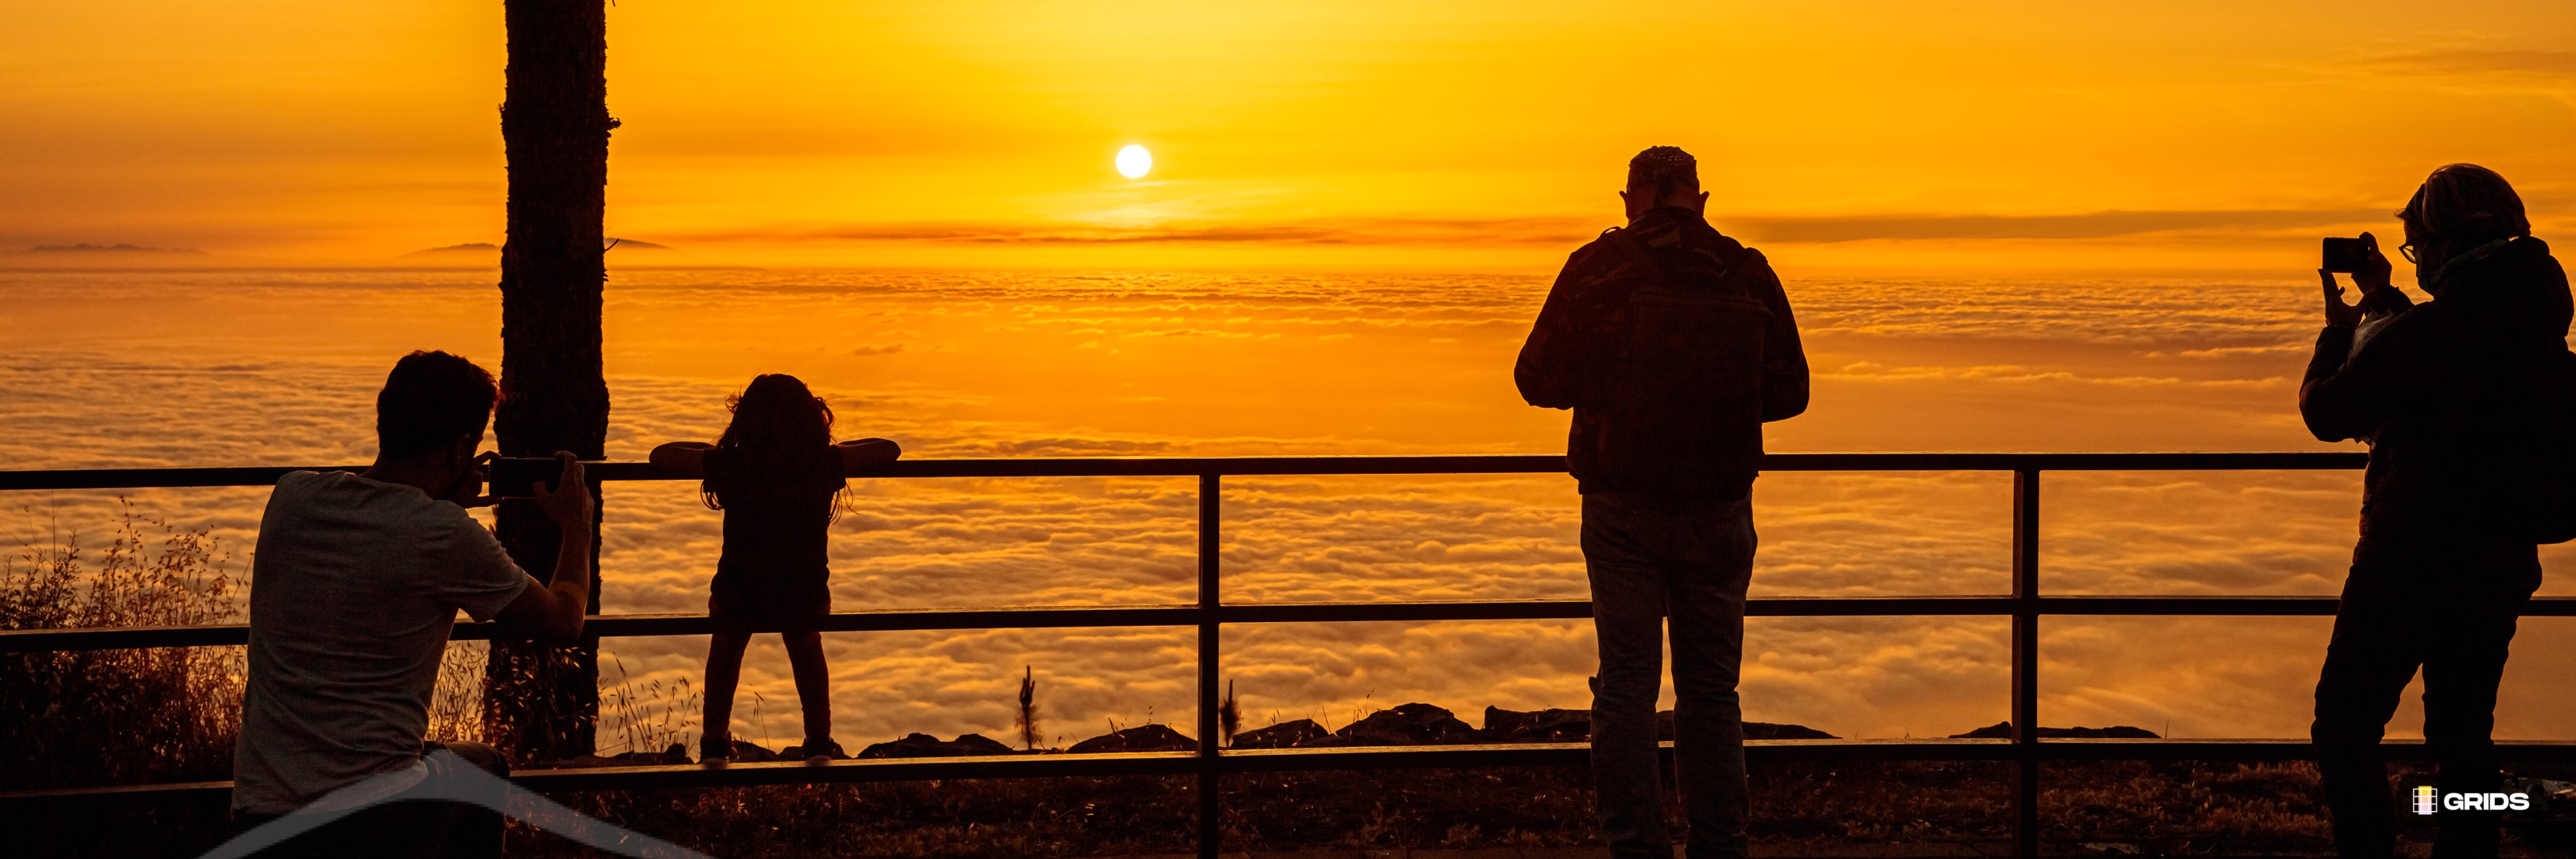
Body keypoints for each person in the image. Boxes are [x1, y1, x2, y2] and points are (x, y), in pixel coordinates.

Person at [1514, 146, 1810, 859]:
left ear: (1632, 197)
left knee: (1626, 688)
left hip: (1623, 506)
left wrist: (1616, 387)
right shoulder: (1745, 270)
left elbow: (1535, 376)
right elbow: (1791, 391)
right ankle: (1720, 845)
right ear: (1698, 199)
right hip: (1719, 506)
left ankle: (1635, 847)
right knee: (1712, 690)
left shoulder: (1599, 268)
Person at [2301, 163, 2568, 858]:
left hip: (2408, 557)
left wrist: (2339, 332)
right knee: (2462, 735)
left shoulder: (2434, 334)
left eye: (2418, 246)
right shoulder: (2536, 325)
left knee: (2344, 724)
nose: (2418, 262)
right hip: (2501, 559)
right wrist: (2386, 304)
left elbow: (2329, 413)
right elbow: (2454, 362)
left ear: (2444, 243)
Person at [231, 350, 596, 857]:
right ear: (462, 448)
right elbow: (564, 621)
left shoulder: (290, 496)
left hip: (259, 820)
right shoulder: (444, 534)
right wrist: (577, 528)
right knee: (484, 768)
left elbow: (382, 529)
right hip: (366, 824)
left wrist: (440, 501)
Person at [649, 374, 900, 764]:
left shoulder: (732, 465)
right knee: (806, 644)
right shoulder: (820, 464)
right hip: (802, 588)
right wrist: (833, 450)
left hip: (739, 586)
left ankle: (715, 743)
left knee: (726, 643)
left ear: (743, 420)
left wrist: (714, 452)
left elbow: (660, 455)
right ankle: (818, 742)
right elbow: (890, 449)